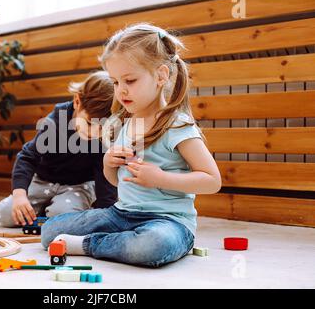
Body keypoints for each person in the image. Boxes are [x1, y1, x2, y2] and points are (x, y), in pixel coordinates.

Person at [41, 23, 222, 267]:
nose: (121, 91)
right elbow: (119, 182)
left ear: (161, 76)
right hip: (121, 214)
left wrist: (160, 178)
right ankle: (117, 242)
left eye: (130, 80)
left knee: (151, 246)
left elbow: (212, 180)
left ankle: (89, 244)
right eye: (115, 82)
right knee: (50, 231)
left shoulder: (178, 126)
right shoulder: (123, 123)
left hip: (168, 222)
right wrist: (109, 165)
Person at [0, 71, 117, 227]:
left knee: (62, 217)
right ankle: (42, 209)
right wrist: (19, 195)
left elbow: (105, 177)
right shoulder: (56, 120)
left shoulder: (103, 138)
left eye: (101, 128)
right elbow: (27, 157)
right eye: (88, 123)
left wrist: (103, 215)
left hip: (78, 186)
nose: (94, 133)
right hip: (43, 181)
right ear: (77, 102)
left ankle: (53, 210)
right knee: (5, 214)